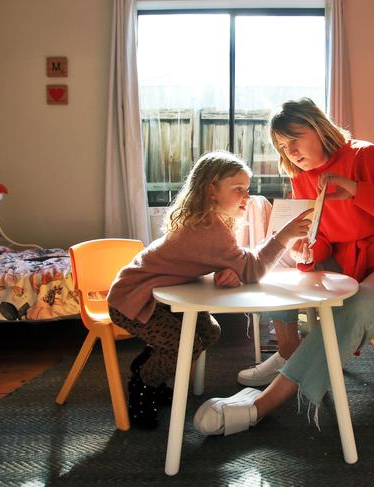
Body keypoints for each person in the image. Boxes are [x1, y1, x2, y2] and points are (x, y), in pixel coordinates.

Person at [193, 98, 374, 436]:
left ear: (319, 128)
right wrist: (308, 249)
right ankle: (289, 349)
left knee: (355, 305)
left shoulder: (366, 157)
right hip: (350, 266)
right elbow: (321, 240)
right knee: (280, 262)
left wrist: (355, 190)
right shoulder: (302, 176)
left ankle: (262, 405)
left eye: (295, 139)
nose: (289, 151)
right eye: (281, 146)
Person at [107, 150, 312, 429]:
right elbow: (251, 269)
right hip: (132, 298)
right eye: (238, 189)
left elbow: (226, 261)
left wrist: (228, 269)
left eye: (247, 189)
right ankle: (142, 384)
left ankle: (152, 365)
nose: (246, 196)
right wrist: (284, 236)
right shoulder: (208, 229)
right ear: (212, 190)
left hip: (156, 292)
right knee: (183, 346)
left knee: (209, 332)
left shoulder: (209, 221)